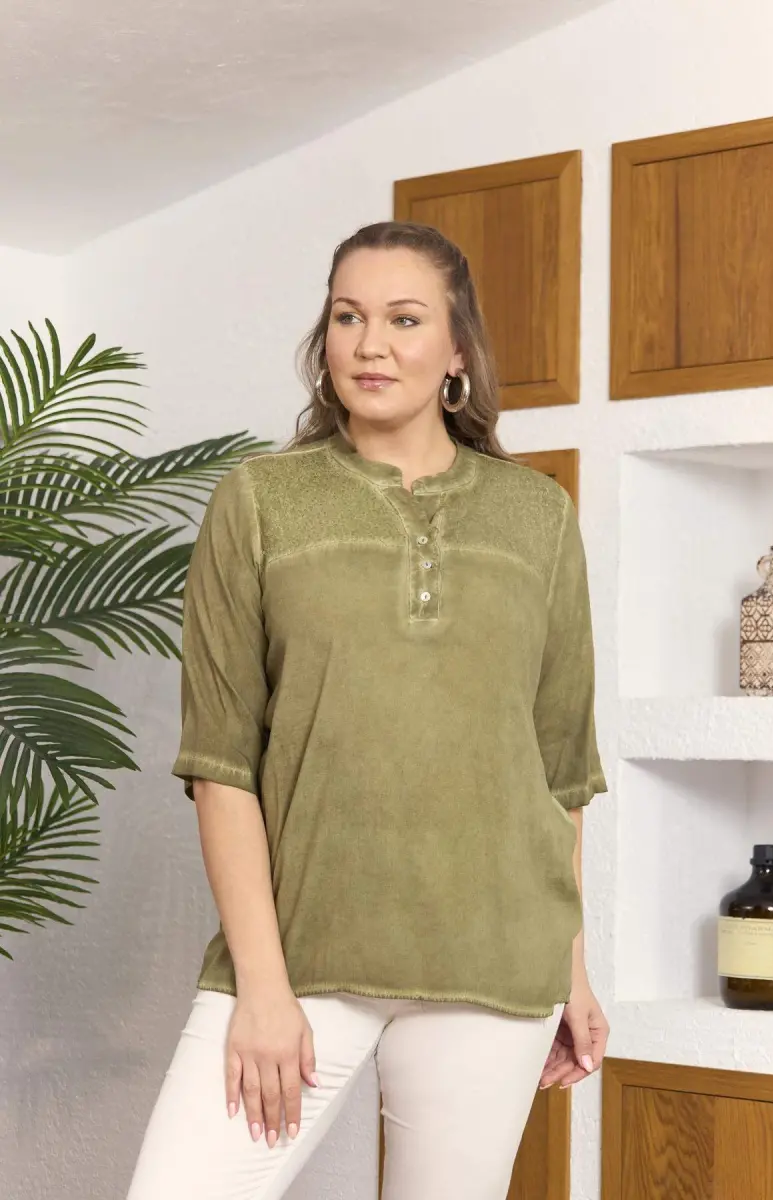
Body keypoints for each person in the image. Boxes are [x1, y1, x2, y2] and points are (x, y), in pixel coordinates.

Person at [126, 220, 610, 1200]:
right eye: (347, 317)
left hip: (494, 964)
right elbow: (221, 766)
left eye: (403, 319)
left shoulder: (537, 515)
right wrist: (262, 990)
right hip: (302, 957)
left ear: (457, 350)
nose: (370, 343)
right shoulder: (259, 502)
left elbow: (556, 769)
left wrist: (569, 970)